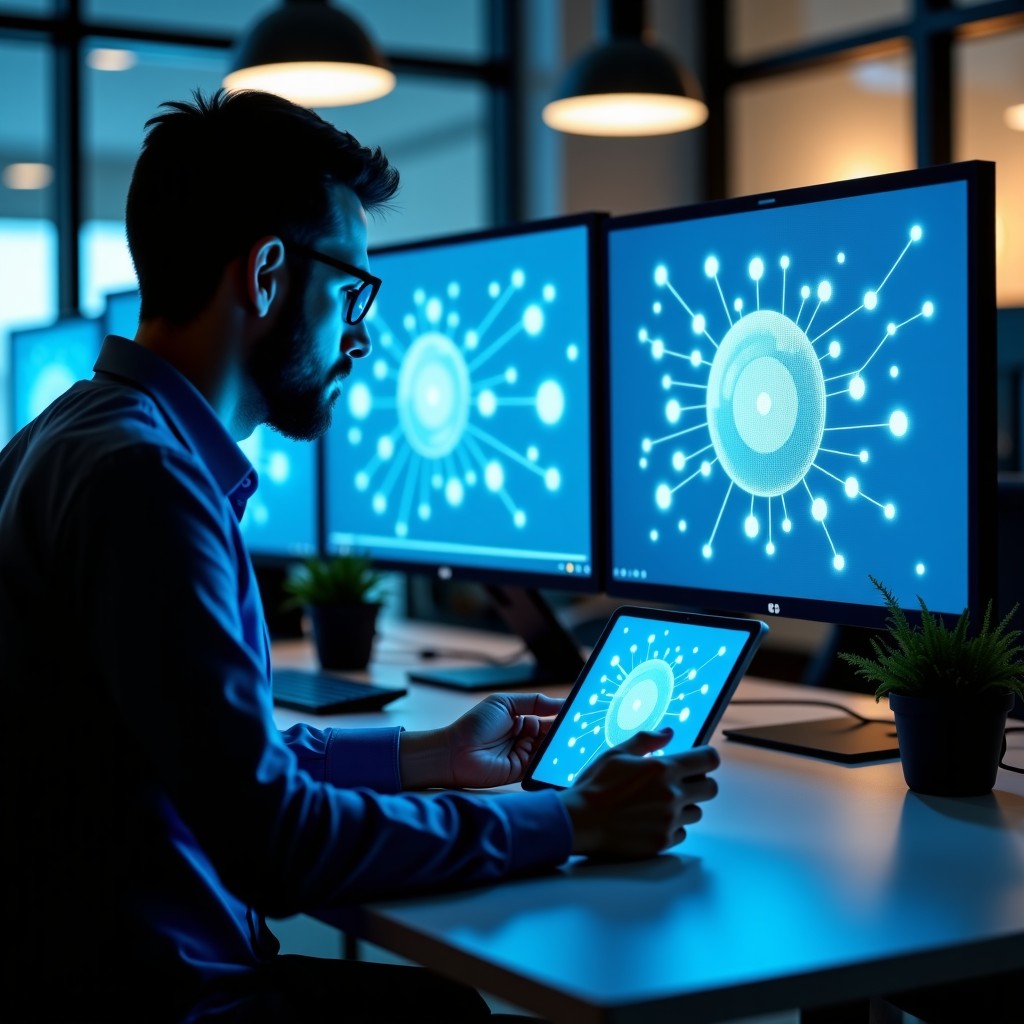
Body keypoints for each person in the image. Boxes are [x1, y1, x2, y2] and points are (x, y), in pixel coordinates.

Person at [0, 89, 720, 1024]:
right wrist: (576, 820)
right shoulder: (145, 481)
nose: (363, 336)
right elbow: (275, 841)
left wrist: (433, 754)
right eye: (352, 292)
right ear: (266, 276)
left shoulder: (64, 441)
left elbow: (216, 760)